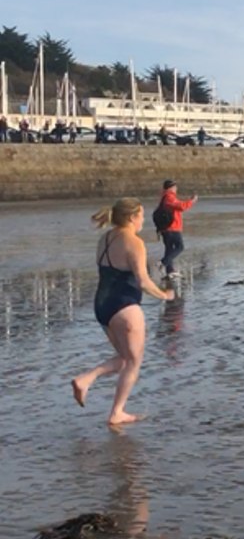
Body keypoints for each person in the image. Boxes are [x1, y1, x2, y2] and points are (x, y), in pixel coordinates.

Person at [72, 199, 176, 426]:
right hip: (125, 306)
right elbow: (143, 281)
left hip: (102, 306)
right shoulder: (134, 243)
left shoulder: (105, 239)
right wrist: (164, 295)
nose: (142, 221)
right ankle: (116, 411)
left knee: (124, 359)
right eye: (141, 216)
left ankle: (87, 379)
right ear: (132, 217)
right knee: (133, 362)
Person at [155, 180, 197, 279]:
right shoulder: (169, 197)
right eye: (175, 187)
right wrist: (192, 201)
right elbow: (181, 206)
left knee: (169, 249)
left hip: (167, 228)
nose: (176, 189)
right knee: (180, 247)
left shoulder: (165, 197)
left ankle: (170, 271)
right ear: (170, 188)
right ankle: (163, 262)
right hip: (172, 228)